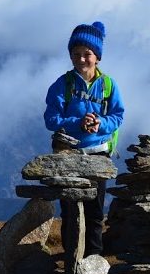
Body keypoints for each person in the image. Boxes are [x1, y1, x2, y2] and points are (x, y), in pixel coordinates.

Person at [43, 21, 125, 260]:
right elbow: (51, 119)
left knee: (95, 211)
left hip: (99, 154)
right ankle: (72, 259)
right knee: (69, 210)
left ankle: (94, 259)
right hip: (69, 154)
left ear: (97, 57)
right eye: (75, 54)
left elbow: (117, 116)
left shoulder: (108, 85)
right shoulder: (63, 85)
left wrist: (100, 123)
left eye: (87, 54)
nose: (81, 59)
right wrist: (77, 123)